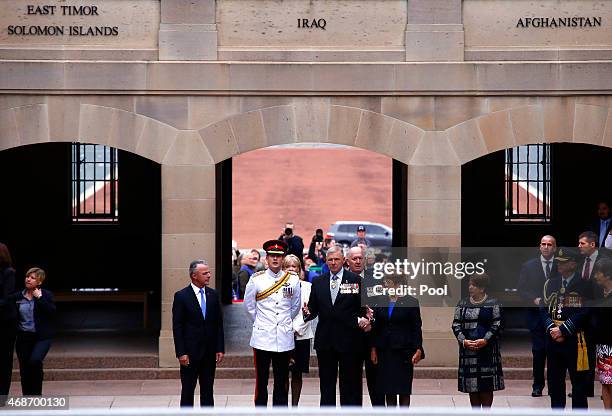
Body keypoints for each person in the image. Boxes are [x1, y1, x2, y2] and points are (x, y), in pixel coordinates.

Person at [302, 246, 370, 406]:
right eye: (330, 260)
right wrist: (307, 313)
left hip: (350, 342)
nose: (333, 263)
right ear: (326, 261)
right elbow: (313, 310)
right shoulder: (318, 282)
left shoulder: (355, 280)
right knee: (326, 386)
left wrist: (367, 320)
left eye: (336, 259)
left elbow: (363, 310)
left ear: (343, 261)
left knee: (350, 386)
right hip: (325, 342)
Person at [244, 240, 301, 407]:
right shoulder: (257, 279)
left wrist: (282, 323)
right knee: (261, 381)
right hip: (262, 337)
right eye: (272, 256)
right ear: (266, 259)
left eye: (279, 256)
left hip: (283, 337)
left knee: (281, 381)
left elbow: (295, 307)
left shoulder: (292, 280)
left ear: (283, 258)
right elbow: (249, 307)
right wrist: (262, 322)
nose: (275, 259)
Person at [540, 247, 591, 409]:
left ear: (573, 264)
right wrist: (552, 328)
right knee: (555, 383)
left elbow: (586, 311)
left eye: (564, 263)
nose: (559, 266)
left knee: (579, 385)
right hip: (553, 340)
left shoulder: (585, 285)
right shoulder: (551, 283)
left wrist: (563, 330)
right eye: (558, 263)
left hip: (575, 341)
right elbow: (543, 308)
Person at [172, 260, 225, 407]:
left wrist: (220, 348)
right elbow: (177, 327)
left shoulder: (213, 295)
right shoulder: (182, 296)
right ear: (194, 276)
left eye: (209, 272)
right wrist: (181, 352)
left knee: (208, 391)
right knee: (188, 391)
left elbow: (218, 324)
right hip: (190, 353)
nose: (209, 275)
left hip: (209, 352)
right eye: (205, 273)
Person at [370, 274, 424, 407]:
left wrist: (418, 349)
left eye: (388, 282)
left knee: (404, 390)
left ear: (398, 284)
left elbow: (416, 327)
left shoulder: (411, 302)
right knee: (389, 390)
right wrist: (373, 348)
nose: (385, 285)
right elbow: (376, 327)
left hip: (404, 352)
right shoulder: (380, 300)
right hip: (385, 352)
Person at [452, 273, 504, 408]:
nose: (470, 287)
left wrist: (485, 339)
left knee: (486, 386)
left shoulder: (493, 303)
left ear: (482, 288)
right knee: (472, 387)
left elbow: (497, 324)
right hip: (468, 350)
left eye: (473, 285)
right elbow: (456, 324)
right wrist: (464, 341)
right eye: (470, 284)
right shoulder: (462, 303)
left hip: (487, 350)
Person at [516, 235, 556, 397]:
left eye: (549, 244)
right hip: (536, 315)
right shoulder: (529, 266)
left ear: (554, 247)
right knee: (539, 352)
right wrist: (534, 298)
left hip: (556, 315)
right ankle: (537, 385)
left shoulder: (561, 265)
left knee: (555, 353)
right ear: (539, 246)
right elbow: (521, 289)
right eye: (543, 244)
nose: (546, 247)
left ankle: (555, 386)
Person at [346, 246, 384, 406]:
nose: (358, 261)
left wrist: (371, 321)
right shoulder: (344, 281)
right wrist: (358, 320)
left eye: (360, 258)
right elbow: (341, 309)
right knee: (353, 385)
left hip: (372, 340)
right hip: (351, 339)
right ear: (347, 261)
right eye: (354, 258)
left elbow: (380, 307)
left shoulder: (374, 280)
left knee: (376, 385)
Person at [9, 267, 55, 396]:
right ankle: (28, 397)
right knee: (25, 369)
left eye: (33, 278)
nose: (28, 279)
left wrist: (40, 298)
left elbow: (52, 312)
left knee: (35, 361)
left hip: (41, 337)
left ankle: (37, 395)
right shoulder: (17, 297)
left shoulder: (46, 295)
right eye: (27, 276)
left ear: (39, 282)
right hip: (24, 337)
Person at [283, 255, 313, 407]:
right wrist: (287, 329)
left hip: (301, 335)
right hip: (282, 336)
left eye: (294, 266)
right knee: (282, 375)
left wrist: (296, 328)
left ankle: (294, 406)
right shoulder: (277, 286)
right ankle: (283, 407)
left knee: (297, 374)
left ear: (299, 270)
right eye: (288, 266)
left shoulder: (308, 286)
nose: (291, 269)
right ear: (283, 269)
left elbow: (310, 311)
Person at [591, 258, 612, 409]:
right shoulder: (600, 293)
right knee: (605, 383)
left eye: (598, 273)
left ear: (607, 275)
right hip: (603, 347)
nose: (595, 276)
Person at [0, 243, 16, 406]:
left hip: (5, 323)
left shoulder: (8, 273)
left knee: (4, 359)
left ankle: (2, 395)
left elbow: (7, 298)